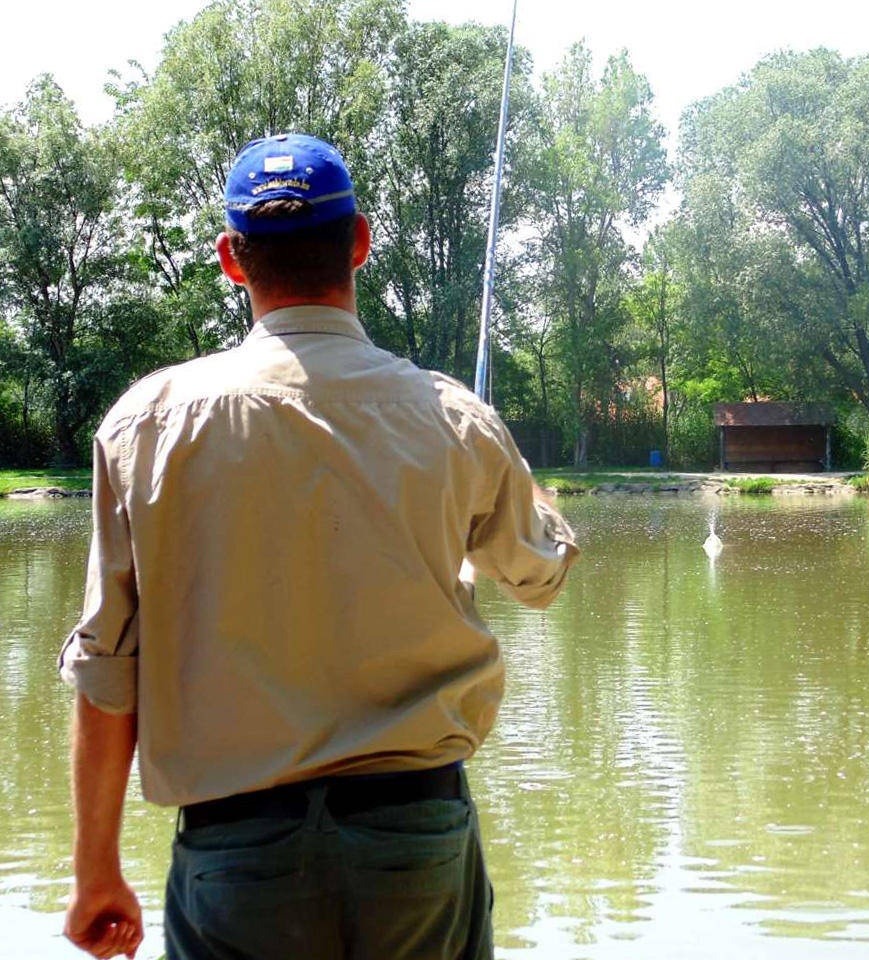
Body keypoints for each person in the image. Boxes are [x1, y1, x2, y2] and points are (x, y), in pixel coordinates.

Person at [58, 133, 578, 960]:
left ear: (233, 260)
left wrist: (95, 872)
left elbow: (107, 667)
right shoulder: (453, 420)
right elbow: (541, 576)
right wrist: (526, 482)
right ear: (361, 243)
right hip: (418, 842)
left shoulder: (143, 425)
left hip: (236, 855)